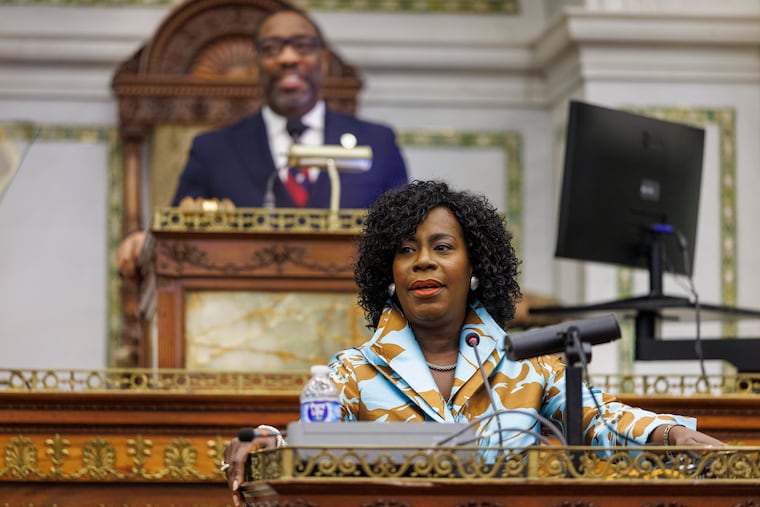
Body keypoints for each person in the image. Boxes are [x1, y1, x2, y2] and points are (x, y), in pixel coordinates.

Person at [221, 179, 723, 502]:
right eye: (405, 250)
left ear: (475, 268)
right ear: (389, 272)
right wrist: (269, 443)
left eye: (442, 247)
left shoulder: (530, 364)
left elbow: (599, 419)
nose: (423, 261)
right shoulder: (353, 371)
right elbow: (313, 441)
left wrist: (670, 434)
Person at [117, 6, 408, 278]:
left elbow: (406, 238)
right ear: (257, 63)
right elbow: (177, 240)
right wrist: (146, 243)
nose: (287, 58)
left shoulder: (377, 144)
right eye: (272, 48)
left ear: (323, 60)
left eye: (302, 46)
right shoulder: (213, 150)